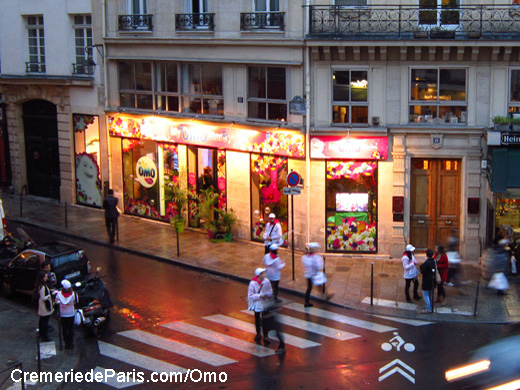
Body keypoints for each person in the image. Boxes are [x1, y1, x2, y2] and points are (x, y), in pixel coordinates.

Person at [301, 242, 333, 308]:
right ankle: (325, 296)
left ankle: (307, 302)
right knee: (320, 285)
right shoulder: (315, 257)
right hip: (314, 274)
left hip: (308, 275)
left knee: (310, 288)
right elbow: (319, 266)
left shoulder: (304, 257)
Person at [247, 268, 273, 345]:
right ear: (259, 275)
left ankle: (265, 335)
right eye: (262, 273)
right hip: (257, 304)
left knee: (265, 320)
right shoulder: (252, 283)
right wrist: (259, 296)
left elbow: (270, 291)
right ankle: (258, 333)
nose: (264, 275)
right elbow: (250, 296)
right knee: (257, 319)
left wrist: (267, 295)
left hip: (265, 303)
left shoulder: (266, 281)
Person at [55, 279, 78, 349]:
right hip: (71, 313)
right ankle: (70, 343)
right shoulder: (73, 294)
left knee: (64, 328)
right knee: (70, 328)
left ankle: (66, 343)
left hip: (63, 314)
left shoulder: (59, 294)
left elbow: (56, 302)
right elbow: (76, 302)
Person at [36, 271, 55, 342]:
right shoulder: (42, 287)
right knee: (44, 321)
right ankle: (44, 336)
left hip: (43, 306)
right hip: (44, 306)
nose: (46, 278)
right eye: (45, 276)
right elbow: (43, 297)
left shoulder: (42, 285)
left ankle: (42, 334)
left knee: (42, 320)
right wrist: (50, 295)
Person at [420, 249, 437, 313]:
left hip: (427, 280)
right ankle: (430, 306)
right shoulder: (434, 261)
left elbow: (423, 271)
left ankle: (428, 308)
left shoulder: (426, 263)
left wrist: (421, 267)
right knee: (430, 294)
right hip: (432, 280)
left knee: (425, 294)